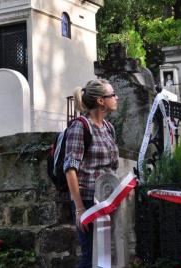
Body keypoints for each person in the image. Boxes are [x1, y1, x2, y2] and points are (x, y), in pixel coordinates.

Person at [64, 79, 119, 267]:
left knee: (108, 257)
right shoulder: (80, 127)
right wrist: (79, 209)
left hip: (107, 200)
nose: (116, 97)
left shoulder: (109, 128)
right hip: (87, 201)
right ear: (101, 101)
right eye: (112, 95)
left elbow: (113, 166)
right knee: (90, 257)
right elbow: (70, 169)